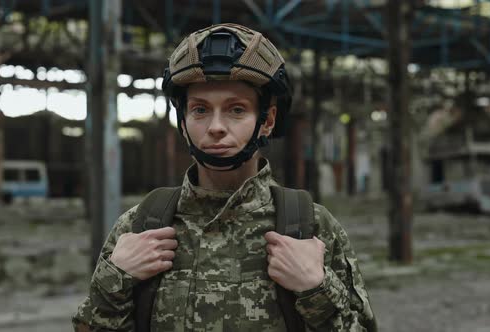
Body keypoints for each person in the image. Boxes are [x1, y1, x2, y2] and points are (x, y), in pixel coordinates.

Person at [73, 23, 376, 332]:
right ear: (183, 121)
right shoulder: (140, 227)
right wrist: (115, 280)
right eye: (200, 110)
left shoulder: (312, 227)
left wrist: (316, 288)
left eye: (236, 110)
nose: (216, 127)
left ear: (267, 121)